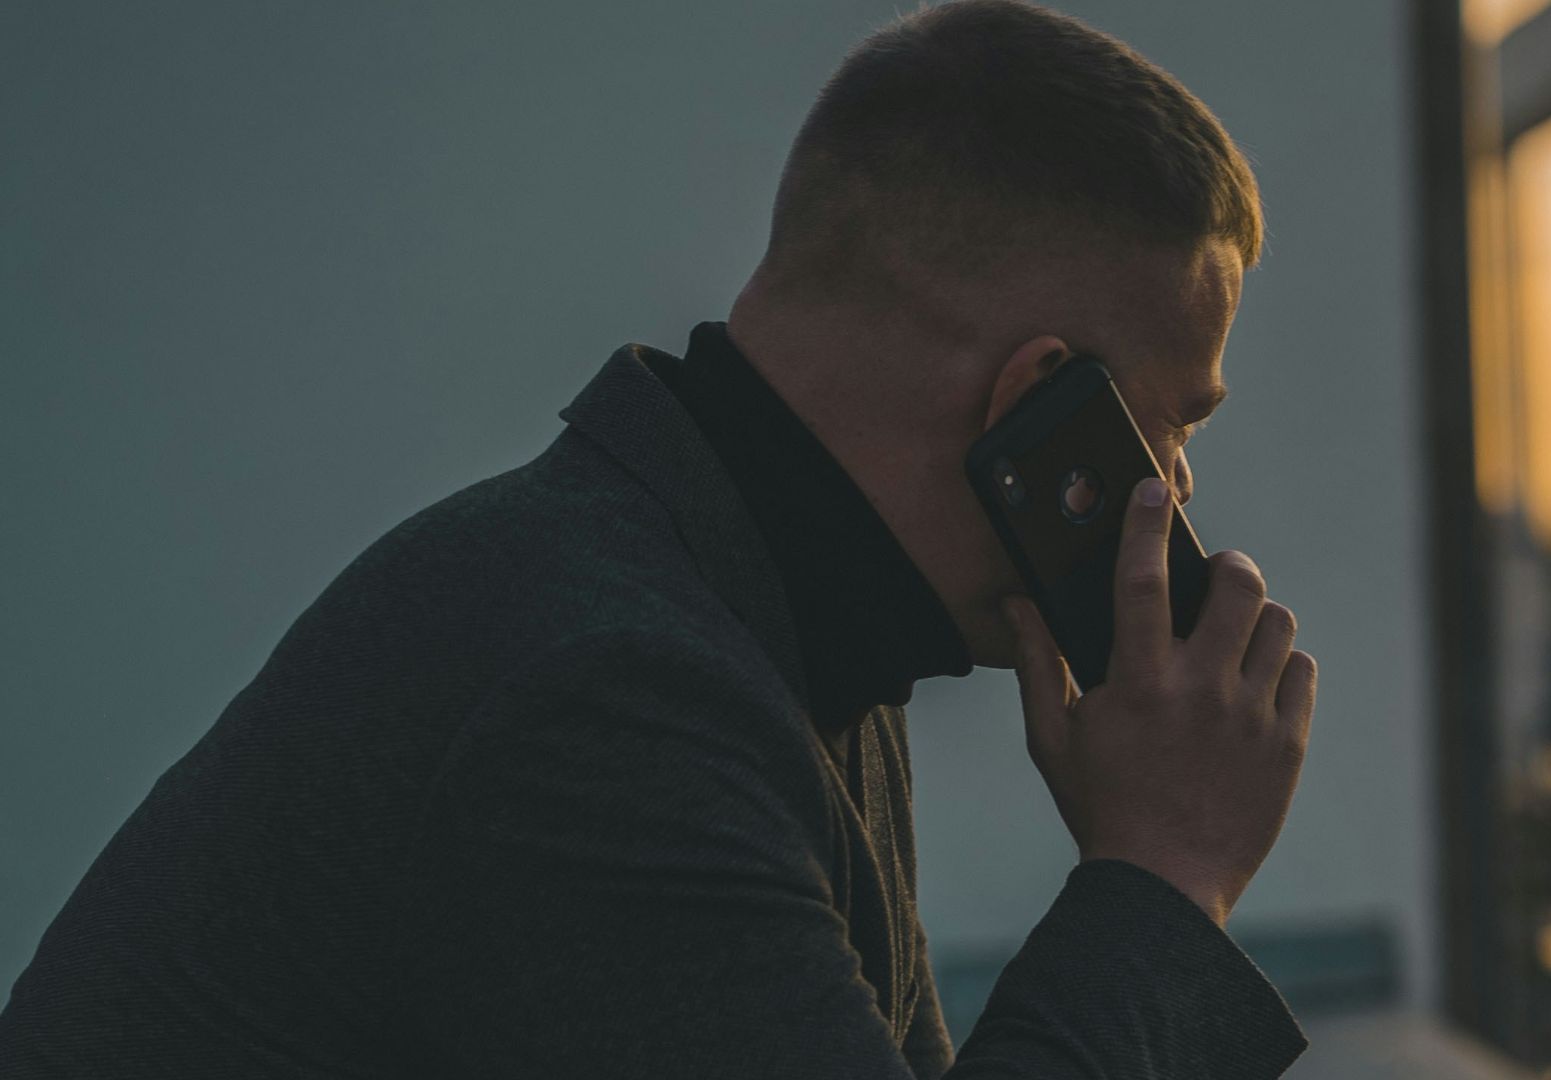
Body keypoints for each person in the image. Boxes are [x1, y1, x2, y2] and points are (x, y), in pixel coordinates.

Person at [0, 1, 1318, 1076]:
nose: (1177, 491)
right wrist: (1164, 869)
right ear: (1037, 406)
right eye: (1166, 428)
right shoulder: (607, 687)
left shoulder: (743, 618)